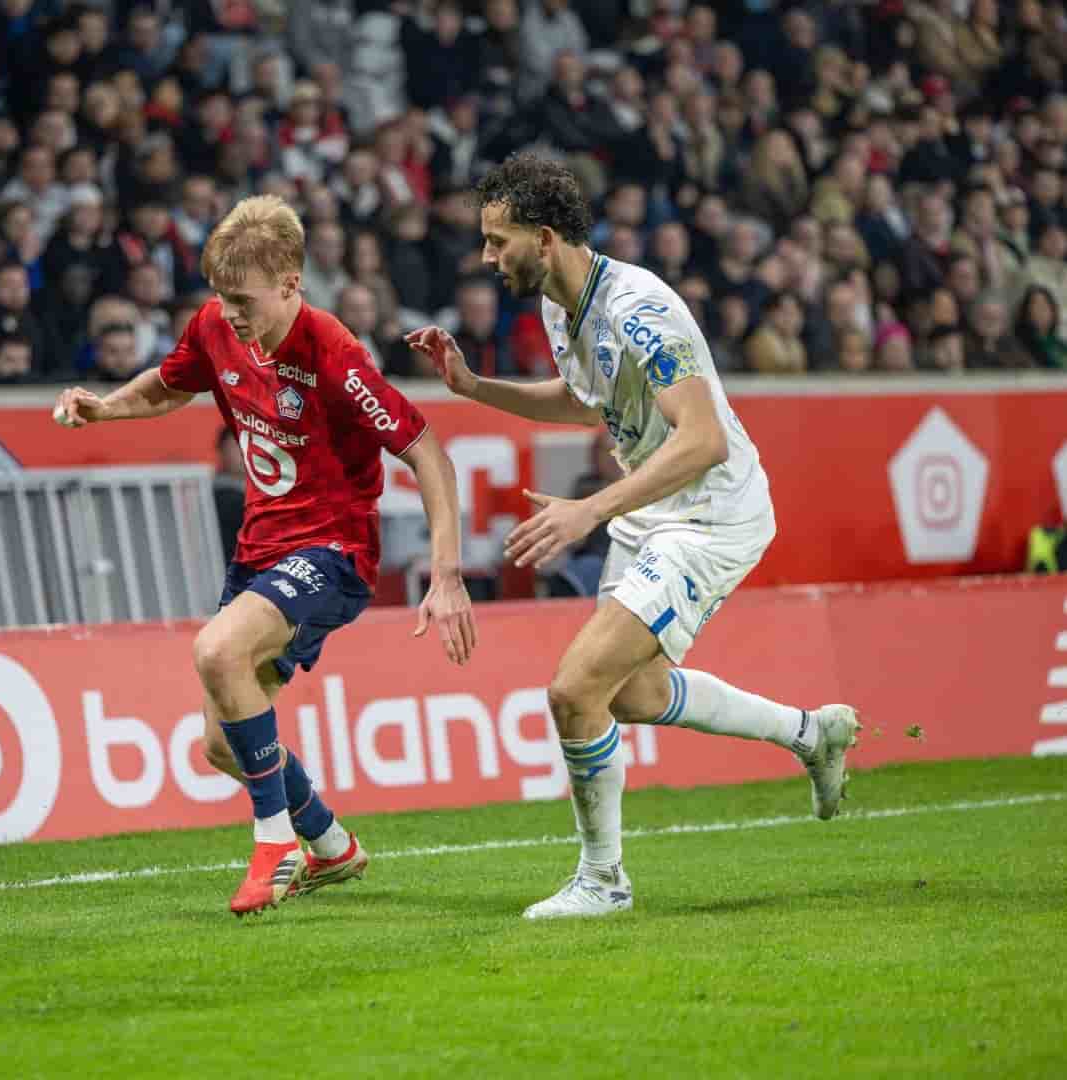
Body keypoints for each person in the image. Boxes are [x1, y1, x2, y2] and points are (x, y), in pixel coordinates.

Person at [410, 153, 858, 920]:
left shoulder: (638, 308)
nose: (487, 257)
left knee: (574, 689)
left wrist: (592, 510)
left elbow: (704, 438)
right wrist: (477, 389)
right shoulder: (560, 305)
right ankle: (812, 733)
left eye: (498, 240)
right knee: (635, 695)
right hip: (655, 510)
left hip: (711, 513)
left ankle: (604, 881)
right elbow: (589, 402)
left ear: (544, 237)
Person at [53, 195, 477, 916]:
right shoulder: (218, 326)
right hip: (259, 553)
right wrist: (108, 406)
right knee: (223, 746)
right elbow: (169, 383)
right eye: (222, 298)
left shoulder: (335, 354)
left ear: (290, 283)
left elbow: (427, 454)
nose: (233, 314)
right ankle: (332, 845)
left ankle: (274, 841)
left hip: (334, 553)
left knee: (217, 651)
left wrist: (446, 572)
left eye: (244, 299)